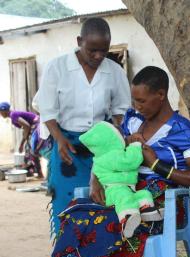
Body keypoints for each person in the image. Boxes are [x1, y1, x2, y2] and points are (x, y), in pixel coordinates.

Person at [49, 66, 190, 257]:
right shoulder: (133, 121)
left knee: (109, 224)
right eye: (135, 100)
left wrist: (155, 164)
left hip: (162, 203)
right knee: (75, 213)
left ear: (161, 95)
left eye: (142, 100)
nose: (137, 105)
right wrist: (96, 181)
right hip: (121, 190)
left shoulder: (182, 130)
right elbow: (107, 153)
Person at [36, 17, 131, 239]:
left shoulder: (114, 71)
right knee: (67, 205)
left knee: (104, 204)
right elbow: (47, 109)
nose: (98, 56)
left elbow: (120, 111)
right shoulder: (57, 67)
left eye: (103, 51)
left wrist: (121, 141)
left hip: (103, 146)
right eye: (92, 50)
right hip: (67, 144)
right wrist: (59, 138)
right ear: (79, 41)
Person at [79, 121, 163, 238]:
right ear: (111, 140)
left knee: (142, 194)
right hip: (115, 191)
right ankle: (127, 219)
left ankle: (147, 210)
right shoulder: (112, 156)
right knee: (125, 198)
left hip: (125, 188)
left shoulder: (101, 156)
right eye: (121, 136)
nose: (125, 138)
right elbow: (130, 161)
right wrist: (135, 146)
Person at [0, 101, 45, 178]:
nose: (0, 114)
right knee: (29, 149)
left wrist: (21, 143)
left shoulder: (13, 115)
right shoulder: (13, 115)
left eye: (0, 112)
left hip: (37, 125)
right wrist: (23, 142)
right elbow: (25, 129)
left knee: (32, 149)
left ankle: (39, 174)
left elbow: (27, 126)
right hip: (35, 126)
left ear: (4, 110)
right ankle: (34, 172)